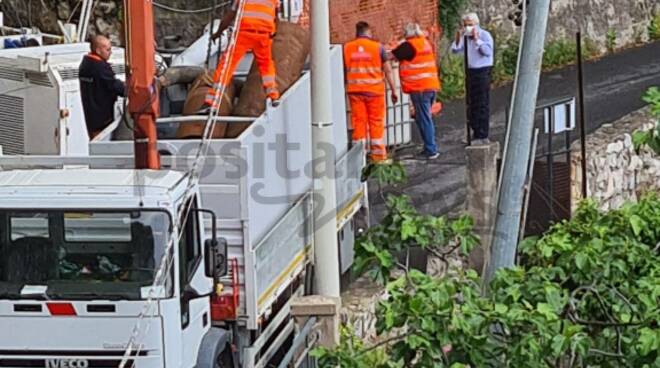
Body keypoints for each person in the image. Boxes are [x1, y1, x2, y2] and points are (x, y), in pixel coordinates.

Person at [204, 0, 280, 112]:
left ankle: (213, 101)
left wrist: (218, 33)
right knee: (266, 65)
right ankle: (272, 94)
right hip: (263, 35)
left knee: (226, 66)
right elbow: (276, 17)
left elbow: (229, 16)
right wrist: (273, 33)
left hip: (243, 33)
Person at [344, 21, 398, 163]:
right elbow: (388, 70)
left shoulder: (347, 48)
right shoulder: (377, 48)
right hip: (374, 92)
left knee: (359, 123)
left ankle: (358, 159)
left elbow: (343, 70)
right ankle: (378, 157)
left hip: (355, 92)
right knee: (375, 123)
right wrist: (393, 90)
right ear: (369, 32)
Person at [389, 23, 441, 159]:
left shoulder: (409, 45)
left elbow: (390, 56)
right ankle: (428, 147)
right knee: (422, 117)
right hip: (430, 85)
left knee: (424, 118)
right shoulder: (424, 43)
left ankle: (431, 149)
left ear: (407, 34)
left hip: (419, 88)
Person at [451, 12, 494, 145]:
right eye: (465, 25)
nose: (467, 28)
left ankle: (482, 133)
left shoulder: (484, 35)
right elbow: (455, 51)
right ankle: (474, 130)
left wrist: (477, 40)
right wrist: (458, 38)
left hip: (482, 71)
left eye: (470, 25)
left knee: (482, 103)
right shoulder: (465, 37)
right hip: (470, 71)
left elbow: (487, 52)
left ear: (476, 24)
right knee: (472, 102)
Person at [79, 35, 126, 139]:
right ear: (98, 50)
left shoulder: (85, 64)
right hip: (103, 119)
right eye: (108, 49)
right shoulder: (101, 68)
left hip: (90, 117)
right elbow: (117, 88)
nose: (110, 52)